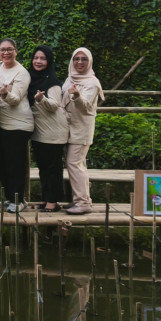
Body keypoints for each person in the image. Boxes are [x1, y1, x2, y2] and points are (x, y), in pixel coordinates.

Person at [0, 38, 33, 213]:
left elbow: (16, 99)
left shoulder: (22, 73)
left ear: (16, 51)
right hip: (0, 123)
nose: (6, 53)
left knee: (15, 164)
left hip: (18, 124)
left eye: (10, 49)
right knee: (1, 161)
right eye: (3, 50)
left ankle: (18, 200)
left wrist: (5, 94)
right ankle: (10, 198)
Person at [64, 48, 103, 215]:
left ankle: (83, 202)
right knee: (79, 164)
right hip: (69, 128)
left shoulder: (92, 83)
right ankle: (81, 199)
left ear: (90, 62)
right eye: (76, 59)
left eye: (84, 59)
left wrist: (77, 96)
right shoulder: (70, 77)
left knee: (74, 163)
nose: (80, 62)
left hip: (81, 130)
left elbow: (87, 107)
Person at [29, 45, 67, 212]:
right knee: (43, 168)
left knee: (53, 168)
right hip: (39, 131)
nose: (38, 61)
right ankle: (46, 199)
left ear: (49, 61)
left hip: (53, 132)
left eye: (43, 58)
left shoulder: (52, 81)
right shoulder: (32, 78)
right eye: (36, 58)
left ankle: (53, 202)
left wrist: (41, 99)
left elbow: (54, 105)